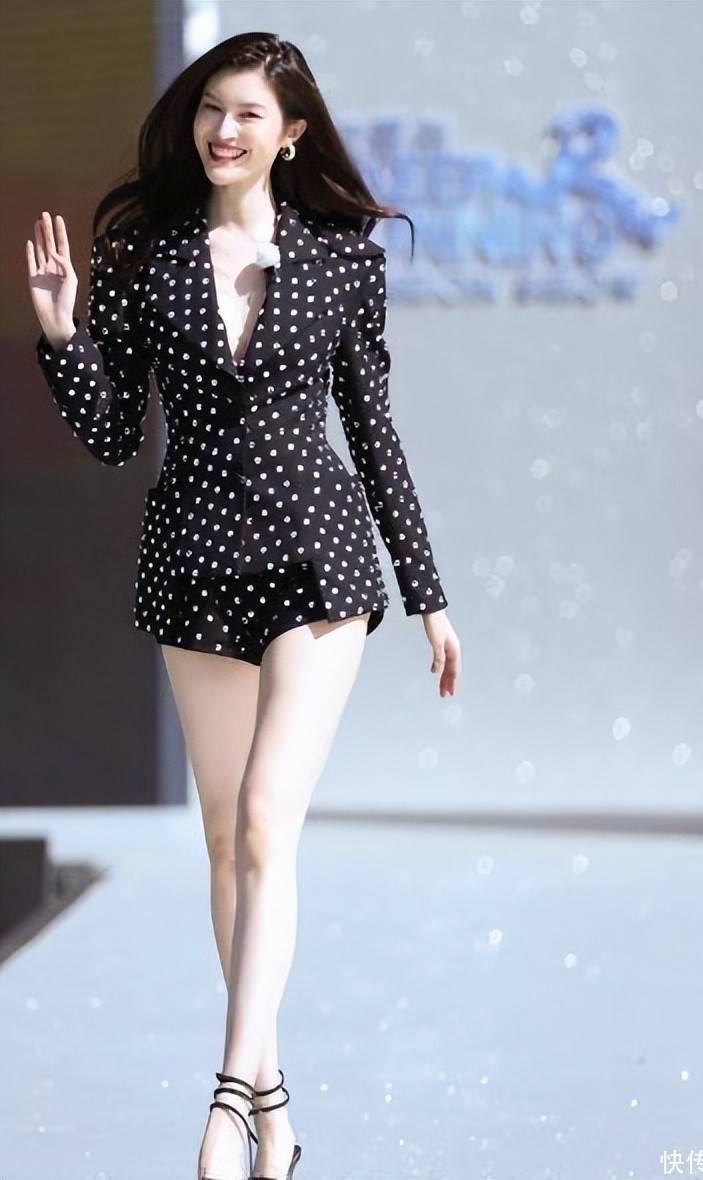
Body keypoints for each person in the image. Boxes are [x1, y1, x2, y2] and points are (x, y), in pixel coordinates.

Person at [26, 31, 461, 1180]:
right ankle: (274, 1105)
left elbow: (373, 433)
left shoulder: (342, 262)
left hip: (318, 565)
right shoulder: (144, 254)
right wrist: (63, 331)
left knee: (268, 820)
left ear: (292, 134)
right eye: (210, 109)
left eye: (248, 114)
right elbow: (113, 434)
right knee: (225, 840)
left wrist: (428, 597)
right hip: (195, 565)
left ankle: (224, 1100)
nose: (223, 131)